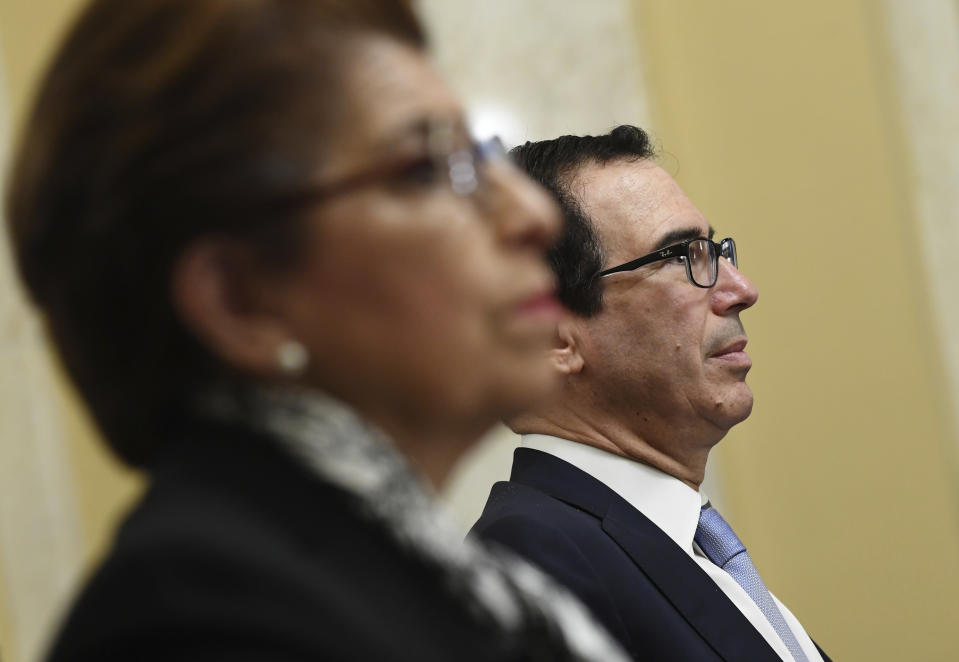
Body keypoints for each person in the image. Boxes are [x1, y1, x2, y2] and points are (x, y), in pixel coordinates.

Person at [5, 2, 631, 660]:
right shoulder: (202, 620)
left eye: (478, 157)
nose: (534, 215)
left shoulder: (425, 579)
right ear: (238, 299)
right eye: (425, 168)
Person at [470, 126, 831, 662]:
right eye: (683, 255)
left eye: (716, 250)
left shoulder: (688, 546)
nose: (741, 289)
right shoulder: (532, 560)